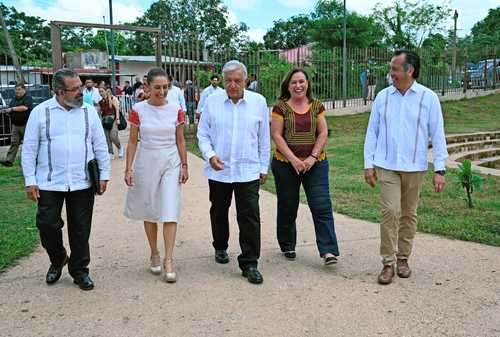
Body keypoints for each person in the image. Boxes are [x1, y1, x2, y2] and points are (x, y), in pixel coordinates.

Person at [363, 50, 448, 285]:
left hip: (415, 166)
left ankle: (403, 258)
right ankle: (388, 262)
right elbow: (373, 132)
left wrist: (440, 169)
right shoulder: (382, 97)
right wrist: (368, 164)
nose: (391, 73)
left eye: (394, 69)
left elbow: (438, 135)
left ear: (409, 71)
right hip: (387, 164)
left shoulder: (428, 97)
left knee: (409, 214)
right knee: (391, 211)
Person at [21, 69, 110, 291]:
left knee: (81, 228)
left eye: (80, 87)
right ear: (60, 92)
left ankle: (80, 270)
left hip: (82, 181)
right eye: (75, 89)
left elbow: (99, 144)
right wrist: (30, 180)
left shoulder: (89, 112)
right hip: (49, 181)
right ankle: (58, 258)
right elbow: (30, 149)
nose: (81, 92)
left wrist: (105, 174)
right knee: (47, 224)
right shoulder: (41, 113)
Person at [197, 60, 270, 285]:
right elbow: (203, 134)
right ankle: (220, 246)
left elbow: (263, 138)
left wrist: (263, 167)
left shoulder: (258, 102)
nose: (232, 85)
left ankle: (250, 262)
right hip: (220, 169)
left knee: (249, 216)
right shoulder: (212, 102)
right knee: (219, 211)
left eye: (237, 80)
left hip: (247, 169)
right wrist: (210, 155)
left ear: (246, 80)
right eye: (228, 80)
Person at [123, 67, 189, 284]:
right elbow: (133, 141)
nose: (162, 91)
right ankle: (154, 252)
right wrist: (128, 168)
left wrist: (185, 165)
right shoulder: (138, 110)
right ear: (147, 87)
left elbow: (180, 140)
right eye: (157, 87)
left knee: (170, 208)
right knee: (150, 208)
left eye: (165, 87)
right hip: (146, 161)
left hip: (171, 160)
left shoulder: (176, 109)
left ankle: (169, 259)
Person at [271, 68, 340, 265]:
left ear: (307, 84)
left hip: (315, 165)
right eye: (294, 82)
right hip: (286, 165)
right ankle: (287, 245)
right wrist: (294, 160)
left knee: (321, 206)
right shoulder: (280, 108)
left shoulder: (317, 106)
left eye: (301, 81)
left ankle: (328, 250)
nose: (298, 86)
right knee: (288, 206)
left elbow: (323, 133)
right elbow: (276, 135)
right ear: (288, 85)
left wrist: (311, 158)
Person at [0, 83, 33, 167]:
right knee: (14, 142)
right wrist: (7, 111)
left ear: (24, 90)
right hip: (15, 125)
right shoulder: (14, 99)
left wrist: (12, 109)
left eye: (19, 89)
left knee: (28, 144)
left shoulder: (28, 97)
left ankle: (31, 161)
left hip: (26, 125)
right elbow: (10, 107)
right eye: (16, 89)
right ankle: (9, 161)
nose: (17, 91)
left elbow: (25, 107)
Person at [98, 87, 123, 159]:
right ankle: (110, 152)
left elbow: (117, 109)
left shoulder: (113, 98)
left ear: (106, 91)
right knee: (107, 137)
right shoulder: (100, 101)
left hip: (113, 119)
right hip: (104, 119)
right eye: (99, 92)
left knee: (113, 136)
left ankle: (120, 147)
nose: (101, 93)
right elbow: (100, 112)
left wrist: (117, 118)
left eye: (102, 91)